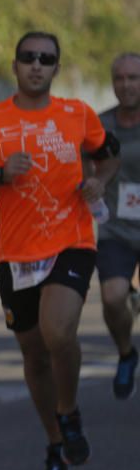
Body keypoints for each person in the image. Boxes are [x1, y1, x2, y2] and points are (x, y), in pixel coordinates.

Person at [0, 31, 120, 470]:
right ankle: (53, 439)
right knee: (33, 353)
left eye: (46, 59)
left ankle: (69, 412)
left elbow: (108, 157)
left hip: (73, 239)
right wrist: (0, 175)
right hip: (17, 254)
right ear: (15, 64)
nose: (37, 65)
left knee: (58, 331)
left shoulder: (77, 114)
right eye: (29, 57)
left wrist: (99, 182)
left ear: (56, 68)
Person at [96, 52, 140, 400]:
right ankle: (126, 352)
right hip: (116, 229)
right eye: (120, 78)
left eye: (134, 78)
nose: (126, 85)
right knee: (112, 299)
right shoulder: (100, 126)